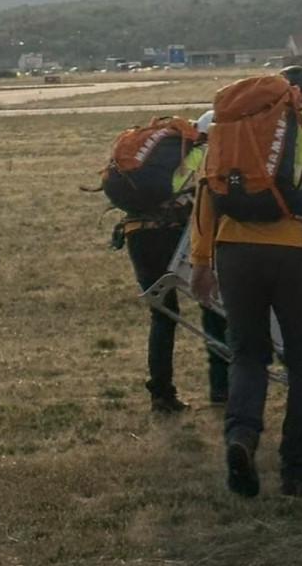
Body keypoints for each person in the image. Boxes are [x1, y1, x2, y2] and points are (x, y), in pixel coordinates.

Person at [190, 66, 302, 498]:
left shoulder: (230, 126)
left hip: (233, 253)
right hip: (294, 253)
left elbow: (205, 194)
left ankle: (241, 437)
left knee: (247, 355)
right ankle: (294, 471)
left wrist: (201, 261)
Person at [119, 110, 229, 413]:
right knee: (213, 307)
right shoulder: (203, 156)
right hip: (172, 234)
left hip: (137, 235)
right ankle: (222, 388)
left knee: (163, 316)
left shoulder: (163, 157)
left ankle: (162, 393)